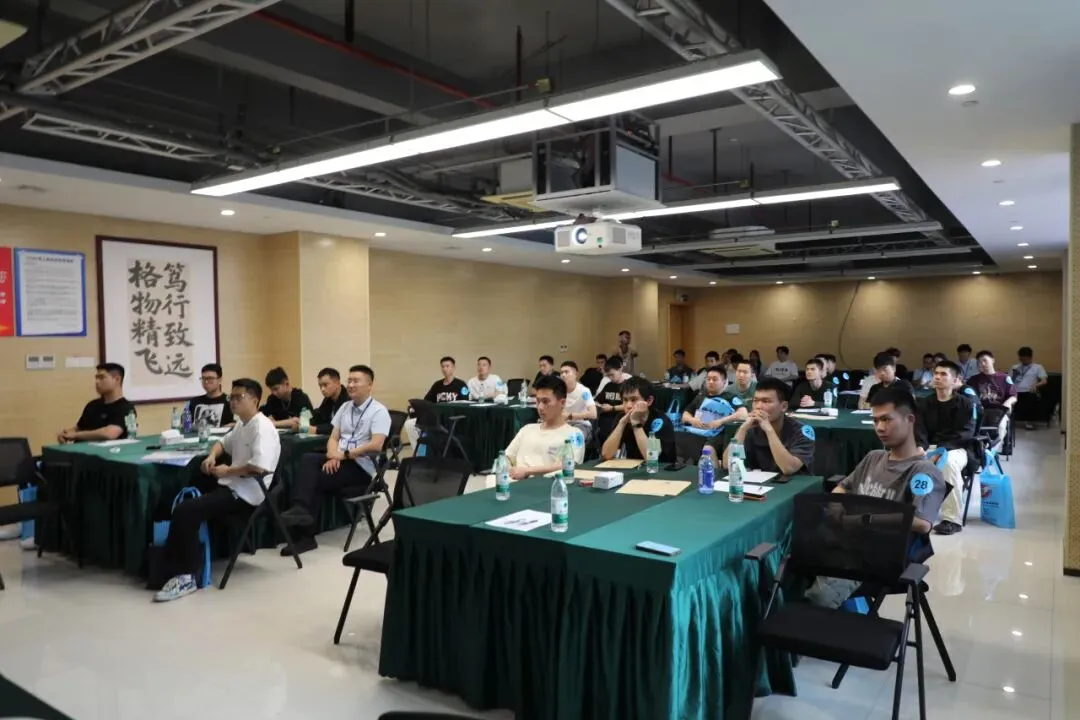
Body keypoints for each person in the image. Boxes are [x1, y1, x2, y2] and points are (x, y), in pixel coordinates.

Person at [805, 387, 947, 608]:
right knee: (788, 565)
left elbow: (922, 523)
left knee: (819, 597)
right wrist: (837, 506)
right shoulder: (874, 457)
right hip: (846, 542)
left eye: (887, 419)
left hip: (880, 557)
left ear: (909, 420)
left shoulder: (923, 472)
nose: (880, 427)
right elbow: (843, 488)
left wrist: (864, 519)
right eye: (875, 421)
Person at [153, 378, 280, 602]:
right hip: (231, 483)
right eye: (232, 397)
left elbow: (259, 468)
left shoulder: (263, 428)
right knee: (180, 491)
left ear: (254, 400)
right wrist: (212, 456)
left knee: (186, 511)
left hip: (246, 494)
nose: (233, 401)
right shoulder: (242, 424)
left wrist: (228, 470)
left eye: (239, 397)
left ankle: (186, 577)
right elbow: (222, 443)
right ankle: (166, 562)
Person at [281, 365, 391, 555]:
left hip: (360, 467)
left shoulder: (379, 411)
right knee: (308, 459)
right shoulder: (345, 407)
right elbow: (333, 437)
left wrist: (344, 455)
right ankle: (301, 509)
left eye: (356, 381)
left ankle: (306, 536)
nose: (351, 385)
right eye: (349, 380)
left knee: (317, 477)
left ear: (369, 385)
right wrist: (333, 455)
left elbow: (376, 445)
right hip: (341, 457)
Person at [916, 360, 977, 536]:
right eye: (936, 373)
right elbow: (919, 430)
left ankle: (952, 520)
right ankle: (913, 511)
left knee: (948, 464)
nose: (938, 377)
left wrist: (941, 451)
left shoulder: (965, 403)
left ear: (955, 380)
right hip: (929, 447)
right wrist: (920, 446)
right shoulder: (923, 403)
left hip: (956, 448)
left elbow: (966, 433)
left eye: (943, 374)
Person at [722, 378, 815, 476]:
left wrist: (769, 430)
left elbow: (788, 468)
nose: (758, 406)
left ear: (783, 406)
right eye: (755, 400)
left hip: (794, 483)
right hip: (758, 483)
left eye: (766, 401)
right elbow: (727, 464)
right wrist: (743, 429)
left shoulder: (801, 431)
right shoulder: (749, 429)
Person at [504, 375, 586, 478]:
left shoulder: (574, 434)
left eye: (546, 401)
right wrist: (509, 470)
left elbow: (567, 465)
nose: (540, 407)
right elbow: (506, 457)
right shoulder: (527, 429)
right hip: (513, 481)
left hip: (547, 484)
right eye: (538, 401)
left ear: (562, 403)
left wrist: (527, 471)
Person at [601, 376, 677, 463]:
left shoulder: (659, 420)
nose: (628, 405)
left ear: (649, 401)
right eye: (625, 400)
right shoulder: (621, 418)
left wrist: (636, 424)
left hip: (661, 468)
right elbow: (606, 454)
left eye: (634, 400)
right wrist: (621, 424)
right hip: (634, 467)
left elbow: (651, 458)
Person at [57, 363, 136, 443]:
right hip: (82, 449)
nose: (97, 382)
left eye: (102, 377)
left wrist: (76, 435)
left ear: (117, 379)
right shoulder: (92, 405)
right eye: (96, 378)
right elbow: (79, 428)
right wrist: (66, 434)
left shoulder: (126, 408)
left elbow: (109, 433)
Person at [404, 356, 469, 449]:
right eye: (443, 366)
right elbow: (427, 401)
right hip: (436, 417)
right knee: (409, 424)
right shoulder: (437, 385)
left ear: (453, 368)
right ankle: (419, 452)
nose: (445, 369)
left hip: (451, 418)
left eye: (447, 366)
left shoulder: (461, 385)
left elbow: (466, 403)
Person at [966, 350, 1016, 447]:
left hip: (999, 410)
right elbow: (968, 396)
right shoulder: (973, 380)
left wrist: (1008, 402)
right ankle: (978, 448)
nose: (983, 364)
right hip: (980, 410)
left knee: (1001, 427)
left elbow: (1013, 396)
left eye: (985, 360)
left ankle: (993, 450)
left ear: (993, 360)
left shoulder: (1004, 378)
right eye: (980, 362)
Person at [680, 367, 746, 429]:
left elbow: (743, 414)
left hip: (720, 434)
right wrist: (692, 420)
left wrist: (720, 421)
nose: (711, 382)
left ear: (724, 382)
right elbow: (685, 415)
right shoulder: (700, 397)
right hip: (699, 432)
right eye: (708, 379)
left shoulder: (731, 397)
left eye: (714, 379)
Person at [1010, 346, 1049, 429]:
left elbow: (1044, 381)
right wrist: (1014, 376)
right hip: (1016, 391)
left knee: (1030, 397)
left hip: (1029, 390)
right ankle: (1009, 421)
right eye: (1021, 359)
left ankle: (1029, 422)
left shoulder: (1038, 367)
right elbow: (1009, 381)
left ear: (1030, 357)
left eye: (1025, 359)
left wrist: (1035, 385)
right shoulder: (1015, 367)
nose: (1023, 361)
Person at [186, 363, 234, 428]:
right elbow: (185, 425)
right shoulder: (194, 402)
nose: (206, 382)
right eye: (203, 378)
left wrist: (234, 425)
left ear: (220, 380)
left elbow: (240, 423)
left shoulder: (230, 401)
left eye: (210, 378)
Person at [559, 361, 597, 439]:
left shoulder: (584, 391)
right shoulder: (558, 391)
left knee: (572, 440)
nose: (563, 375)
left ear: (575, 374)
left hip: (581, 425)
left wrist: (570, 416)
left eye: (566, 372)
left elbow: (593, 414)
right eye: (561, 372)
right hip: (563, 424)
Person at [309, 368, 349, 435]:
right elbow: (319, 416)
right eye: (320, 386)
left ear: (338, 383)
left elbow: (340, 426)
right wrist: (303, 421)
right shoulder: (327, 399)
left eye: (325, 385)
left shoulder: (348, 400)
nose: (322, 389)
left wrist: (317, 429)